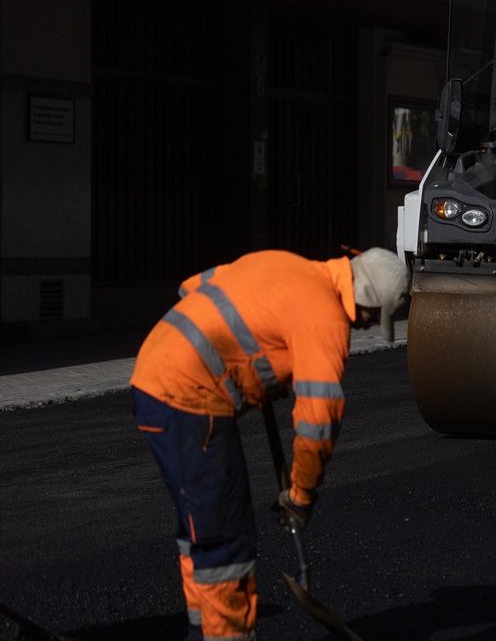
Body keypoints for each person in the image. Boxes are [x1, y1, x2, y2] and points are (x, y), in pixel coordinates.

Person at [130, 247, 410, 641]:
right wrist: (300, 496)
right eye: (369, 318)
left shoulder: (287, 264)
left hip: (154, 376)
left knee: (203, 525)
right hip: (188, 398)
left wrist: (263, 365)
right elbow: (318, 421)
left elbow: (191, 287)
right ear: (363, 299)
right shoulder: (325, 315)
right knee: (225, 535)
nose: (363, 327)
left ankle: (203, 630)